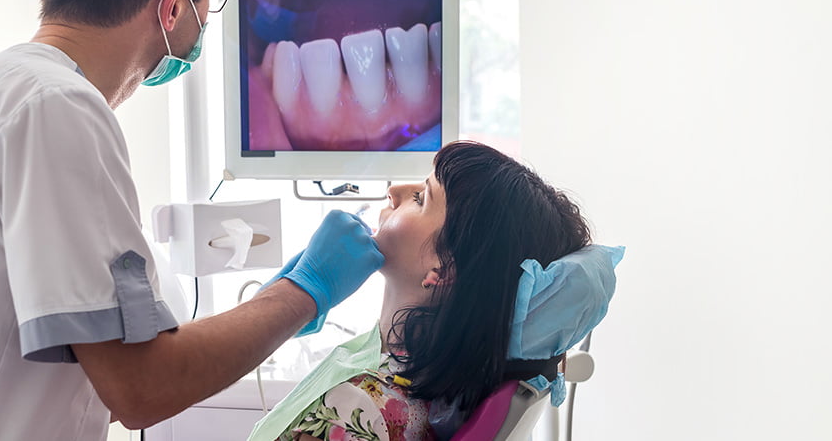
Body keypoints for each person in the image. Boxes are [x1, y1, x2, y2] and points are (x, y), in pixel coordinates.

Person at [0, 0, 382, 439]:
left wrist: (268, 305)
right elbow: (138, 390)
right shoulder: (57, 108)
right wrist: (305, 291)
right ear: (174, 5)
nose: (206, 23)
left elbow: (102, 379)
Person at [248, 141, 623, 441]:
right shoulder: (436, 385)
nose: (395, 190)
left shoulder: (357, 408)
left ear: (442, 269)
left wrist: (299, 293)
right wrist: (281, 308)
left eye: (421, 198)